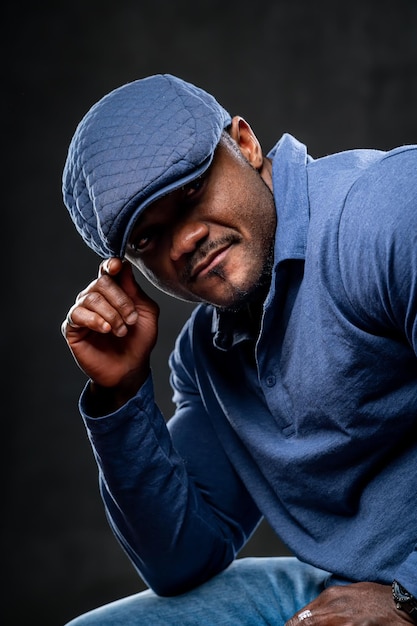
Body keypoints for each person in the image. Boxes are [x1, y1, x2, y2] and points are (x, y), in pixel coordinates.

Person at [61, 73, 417, 625]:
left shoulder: (387, 210)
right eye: (147, 239)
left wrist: (409, 597)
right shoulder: (207, 356)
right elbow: (181, 561)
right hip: (348, 587)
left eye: (190, 193)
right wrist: (123, 391)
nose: (183, 242)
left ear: (245, 144)